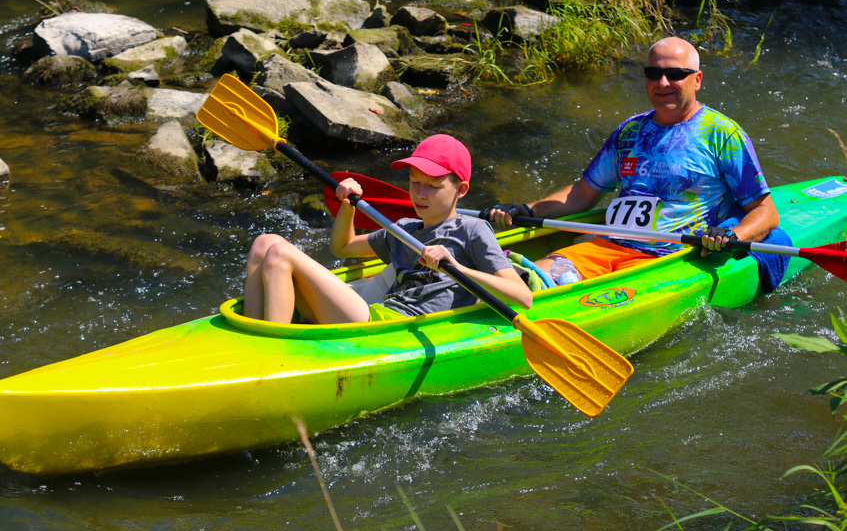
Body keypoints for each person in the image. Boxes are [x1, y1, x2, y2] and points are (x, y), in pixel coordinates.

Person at [486, 37, 787, 290]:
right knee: (524, 284)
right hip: (607, 245)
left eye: (675, 73)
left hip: (671, 258)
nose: (663, 82)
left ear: (697, 80)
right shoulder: (629, 131)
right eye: (653, 73)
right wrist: (528, 209)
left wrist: (731, 236)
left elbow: (765, 212)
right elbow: (580, 195)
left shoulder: (722, 135)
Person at [242, 134, 533, 323]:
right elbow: (341, 247)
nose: (420, 194)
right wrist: (347, 206)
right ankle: (253, 334)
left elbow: (522, 297)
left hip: (392, 326)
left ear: (461, 190)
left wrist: (456, 266)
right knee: (265, 243)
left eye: (433, 186)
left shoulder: (473, 229)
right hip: (379, 312)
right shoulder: (403, 229)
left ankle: (272, 347)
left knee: (280, 253)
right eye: (414, 182)